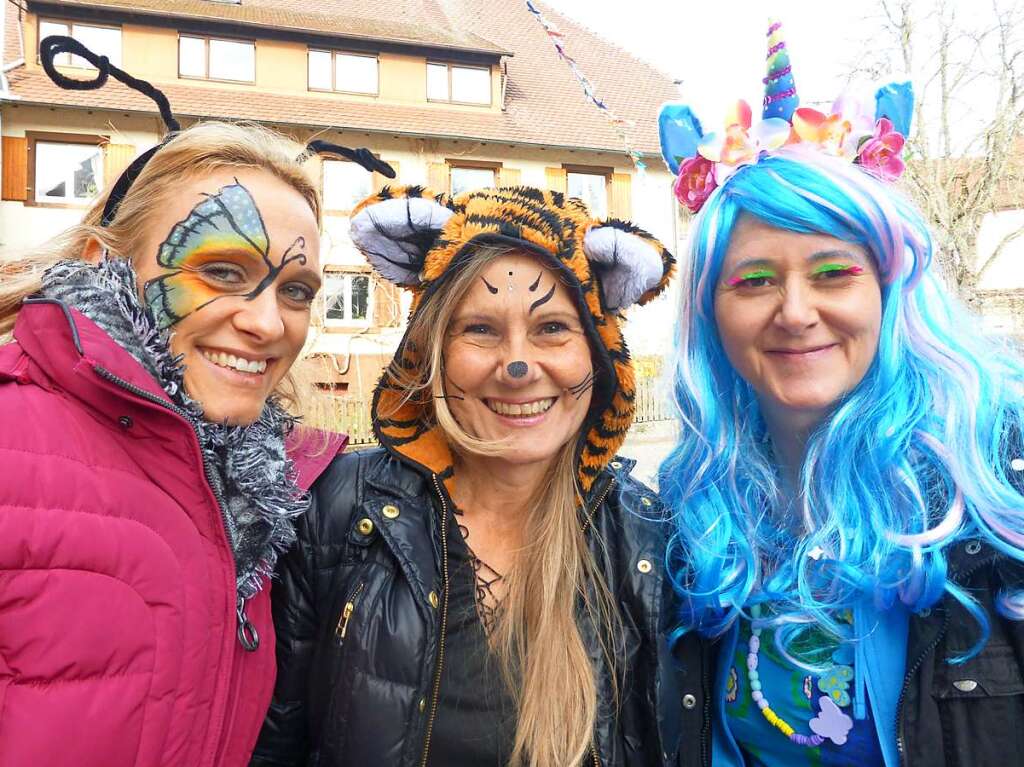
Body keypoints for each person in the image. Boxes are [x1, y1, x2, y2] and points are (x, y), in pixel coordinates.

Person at [0, 37, 390, 767]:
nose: (268, 322)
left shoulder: (261, 498)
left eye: (297, 290)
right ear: (101, 260)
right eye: (221, 270)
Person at [658, 20, 1024, 767]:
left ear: (890, 292)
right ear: (711, 313)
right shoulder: (694, 507)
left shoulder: (995, 483)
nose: (795, 311)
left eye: (833, 273)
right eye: (755, 280)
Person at [251, 185, 708, 767]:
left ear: (597, 351)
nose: (517, 366)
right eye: (481, 330)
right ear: (432, 350)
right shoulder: (336, 510)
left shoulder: (649, 541)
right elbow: (273, 745)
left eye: (552, 329)